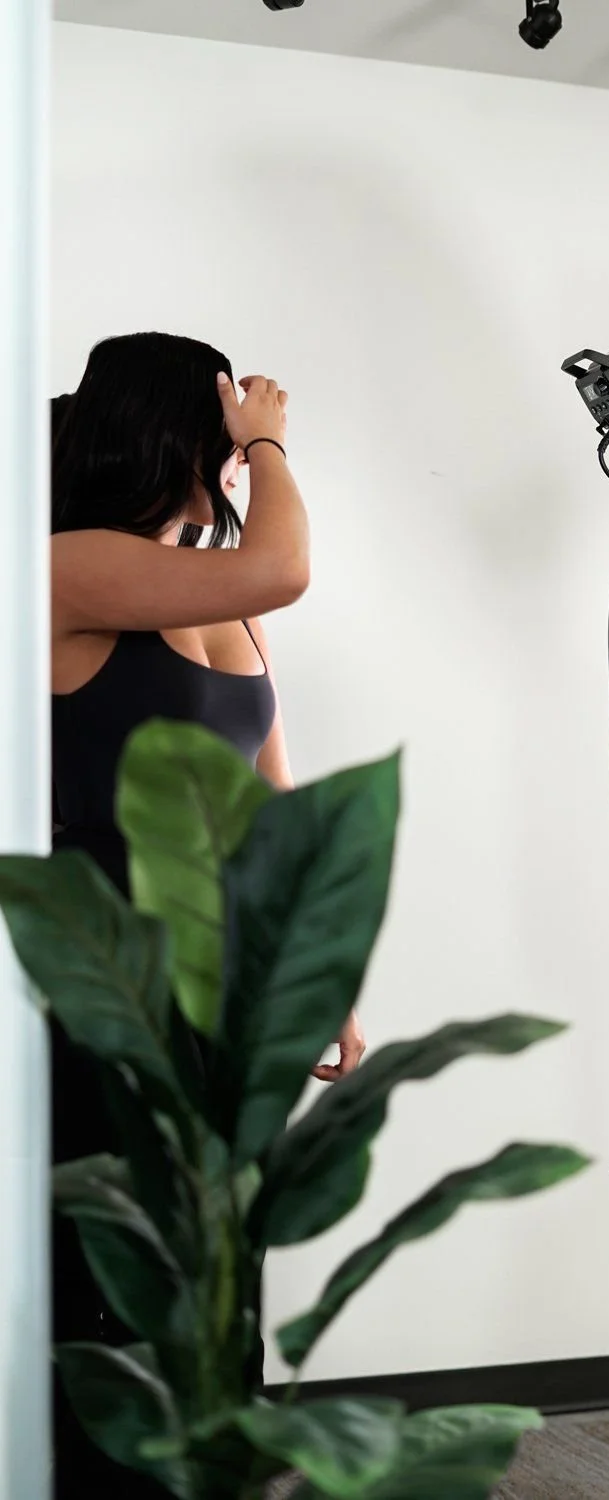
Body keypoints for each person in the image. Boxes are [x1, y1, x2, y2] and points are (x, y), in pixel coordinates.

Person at [49, 332, 365, 1497]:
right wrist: (271, 441)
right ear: (178, 424)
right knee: (128, 1276)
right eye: (221, 418)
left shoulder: (222, 599)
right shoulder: (68, 566)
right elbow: (285, 564)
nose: (234, 443)